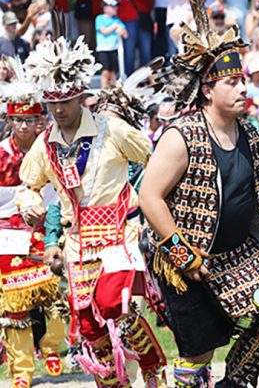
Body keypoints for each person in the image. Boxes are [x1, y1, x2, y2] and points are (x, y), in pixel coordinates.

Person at [139, 1, 259, 385]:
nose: (244, 87)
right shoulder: (182, 135)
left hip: (239, 253)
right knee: (198, 352)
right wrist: (181, 253)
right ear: (207, 88)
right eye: (233, 82)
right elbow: (149, 197)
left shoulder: (250, 134)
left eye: (243, 80)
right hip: (187, 259)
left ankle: (235, 380)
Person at [18, 35, 166, 387]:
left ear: (80, 96)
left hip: (120, 237)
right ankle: (113, 384)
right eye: (52, 103)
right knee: (87, 324)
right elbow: (29, 185)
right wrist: (30, 204)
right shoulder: (44, 144)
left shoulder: (110, 129)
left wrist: (152, 205)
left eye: (65, 101)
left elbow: (155, 158)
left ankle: (152, 368)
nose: (58, 110)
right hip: (77, 243)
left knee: (116, 305)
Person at [0, 58, 67, 388]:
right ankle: (22, 370)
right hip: (6, 236)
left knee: (54, 292)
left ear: (41, 121)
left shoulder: (51, 152)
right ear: (10, 120)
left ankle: (53, 346)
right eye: (18, 120)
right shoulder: (0, 154)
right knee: (14, 305)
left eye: (30, 120)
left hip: (46, 229)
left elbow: (59, 199)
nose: (24, 126)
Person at [95, 0, 128, 89]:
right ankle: (103, 90)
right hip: (103, 49)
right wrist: (115, 27)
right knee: (106, 71)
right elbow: (104, 31)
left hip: (114, 49)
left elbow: (125, 34)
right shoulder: (99, 18)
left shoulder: (117, 20)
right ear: (105, 8)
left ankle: (112, 91)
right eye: (113, 6)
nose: (116, 8)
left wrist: (122, 30)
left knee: (113, 72)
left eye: (116, 6)